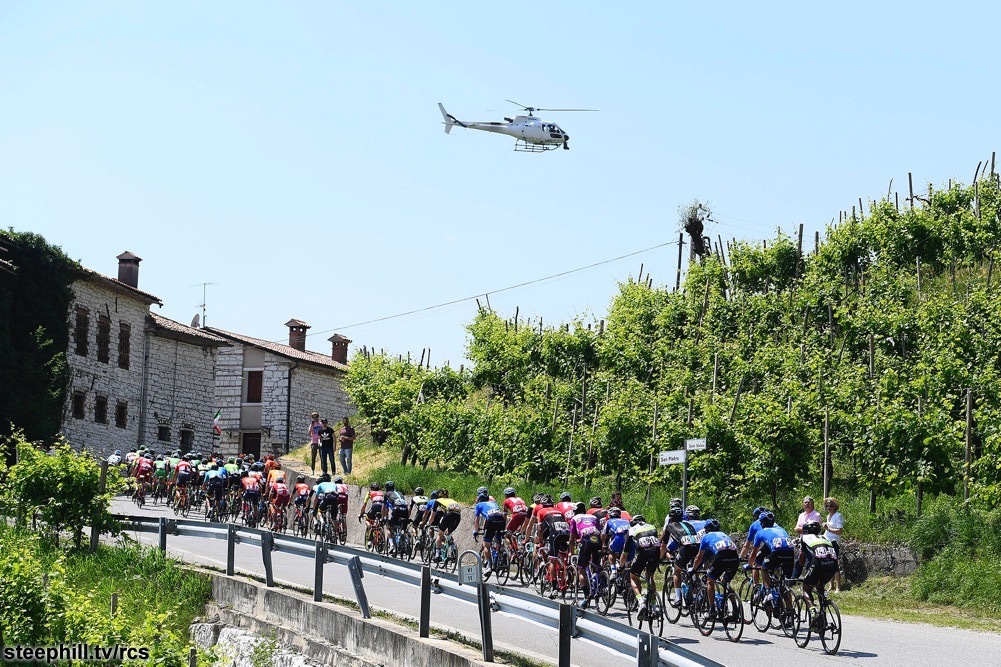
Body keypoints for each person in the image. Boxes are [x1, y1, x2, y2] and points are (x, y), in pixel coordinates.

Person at [688, 518, 739, 619]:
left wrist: (693, 569)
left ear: (707, 529)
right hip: (734, 557)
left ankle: (711, 609)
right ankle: (735, 608)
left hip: (721, 556)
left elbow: (699, 557)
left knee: (710, 581)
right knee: (725, 583)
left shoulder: (706, 537)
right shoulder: (724, 534)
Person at [795, 521, 840, 627]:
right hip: (833, 565)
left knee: (806, 588)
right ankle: (823, 617)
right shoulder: (825, 537)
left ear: (805, 531)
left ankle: (813, 611)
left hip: (819, 563)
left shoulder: (804, 538)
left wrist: (800, 570)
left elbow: (802, 559)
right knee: (820, 587)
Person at [619, 514, 661, 617]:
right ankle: (654, 606)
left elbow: (625, 554)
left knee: (633, 576)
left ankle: (641, 601)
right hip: (656, 551)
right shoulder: (652, 526)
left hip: (643, 552)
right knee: (650, 576)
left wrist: (620, 566)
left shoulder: (632, 530)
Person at [473, 490, 506, 576]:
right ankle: (502, 552)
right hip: (501, 519)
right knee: (498, 541)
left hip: (491, 520)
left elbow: (477, 519)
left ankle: (489, 566)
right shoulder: (494, 503)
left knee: (486, 544)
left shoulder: (479, 505)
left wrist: (476, 531)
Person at [823, 497, 845, 591]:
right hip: (827, 541)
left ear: (835, 507)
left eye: (831, 506)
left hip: (834, 542)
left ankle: (838, 587)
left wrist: (828, 529)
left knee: (834, 563)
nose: (829, 508)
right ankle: (831, 585)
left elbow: (840, 531)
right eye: (827, 506)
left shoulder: (838, 516)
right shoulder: (828, 516)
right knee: (828, 563)